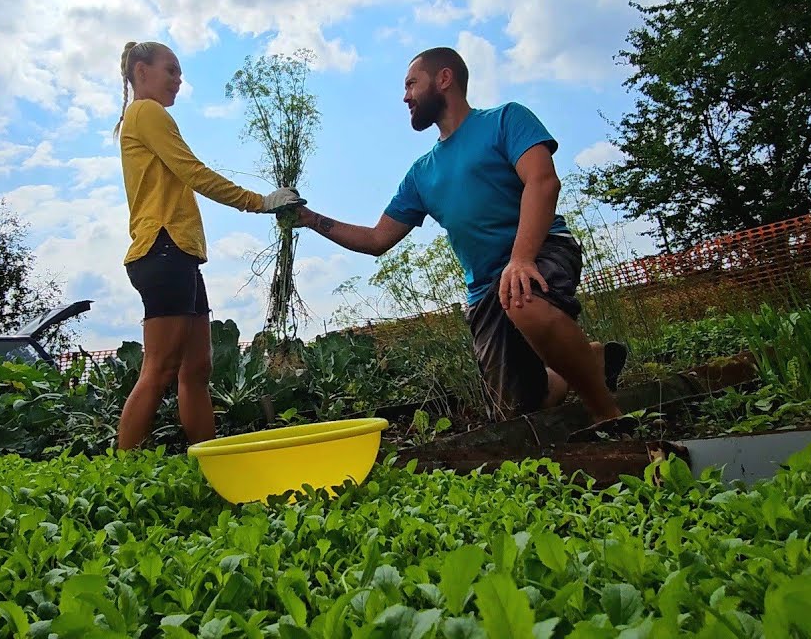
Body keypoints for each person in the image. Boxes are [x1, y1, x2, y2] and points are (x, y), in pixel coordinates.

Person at [292, 47, 632, 439]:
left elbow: (543, 181)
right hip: (484, 290)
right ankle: (588, 359)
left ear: (444, 79)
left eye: (410, 84)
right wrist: (311, 219)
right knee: (519, 409)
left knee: (521, 298)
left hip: (540, 251)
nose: (405, 97)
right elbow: (376, 239)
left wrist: (520, 259)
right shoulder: (421, 173)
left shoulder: (505, 119)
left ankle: (608, 416)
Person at [114, 40, 305, 450]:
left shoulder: (144, 115)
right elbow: (193, 172)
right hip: (162, 248)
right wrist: (260, 202)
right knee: (159, 367)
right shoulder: (147, 111)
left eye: (181, 73)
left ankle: (209, 460)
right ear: (141, 71)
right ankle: (121, 471)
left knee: (196, 369)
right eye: (171, 70)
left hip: (179, 253)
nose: (178, 80)